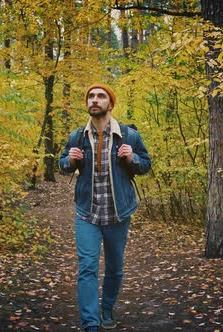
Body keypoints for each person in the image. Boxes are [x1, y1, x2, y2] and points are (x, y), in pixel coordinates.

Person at [58, 84, 151, 332]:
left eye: (101, 96)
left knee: (114, 268)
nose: (95, 100)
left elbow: (145, 165)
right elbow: (62, 165)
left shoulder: (129, 136)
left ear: (110, 103)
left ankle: (107, 308)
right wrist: (71, 160)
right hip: (87, 213)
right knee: (87, 267)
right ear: (87, 103)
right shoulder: (77, 136)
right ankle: (90, 323)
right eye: (91, 96)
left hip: (118, 214)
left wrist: (133, 158)